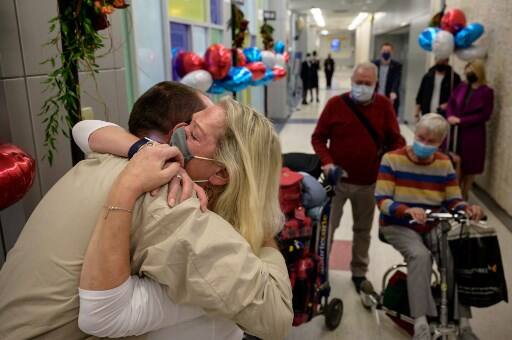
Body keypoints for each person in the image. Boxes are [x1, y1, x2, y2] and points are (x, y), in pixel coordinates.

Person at [0, 82, 293, 340]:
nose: (180, 135)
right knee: (218, 313)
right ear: (222, 173)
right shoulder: (170, 198)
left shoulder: (109, 155)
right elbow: (276, 316)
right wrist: (265, 234)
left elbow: (85, 129)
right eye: (187, 126)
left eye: (193, 132)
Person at [375, 113, 483, 340]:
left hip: (433, 223)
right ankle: (421, 323)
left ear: (440, 142)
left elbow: (454, 198)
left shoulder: (444, 163)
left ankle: (463, 322)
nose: (423, 144)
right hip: (398, 224)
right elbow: (382, 200)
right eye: (421, 137)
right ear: (414, 132)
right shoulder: (392, 159)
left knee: (455, 254)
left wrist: (467, 208)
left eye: (431, 141)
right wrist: (406, 210)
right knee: (420, 256)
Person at [311, 62, 405, 293]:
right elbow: (318, 138)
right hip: (336, 182)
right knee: (327, 229)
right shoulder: (335, 104)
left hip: (369, 183)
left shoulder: (384, 106)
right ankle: (320, 272)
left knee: (362, 231)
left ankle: (359, 273)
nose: (361, 87)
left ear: (376, 84)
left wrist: (387, 162)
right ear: (351, 82)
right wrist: (327, 162)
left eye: (367, 83)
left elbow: (397, 142)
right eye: (358, 82)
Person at [446, 59, 494, 200]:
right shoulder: (461, 87)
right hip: (456, 132)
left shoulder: (487, 92)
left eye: (471, 70)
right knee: (455, 161)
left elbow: (485, 115)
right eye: (467, 70)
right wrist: (450, 116)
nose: (468, 73)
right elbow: (451, 103)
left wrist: (462, 120)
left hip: (473, 134)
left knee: (470, 165)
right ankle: (455, 194)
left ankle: (465, 192)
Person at [372, 42, 402, 114]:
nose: (386, 53)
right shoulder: (373, 64)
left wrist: (393, 91)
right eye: (384, 51)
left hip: (390, 96)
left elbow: (397, 79)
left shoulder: (397, 65)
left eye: (388, 51)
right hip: (376, 95)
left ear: (392, 52)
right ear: (381, 51)